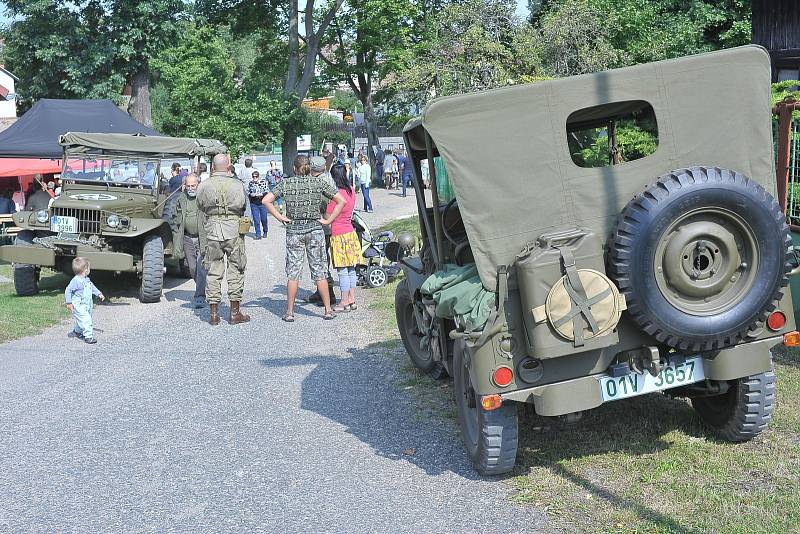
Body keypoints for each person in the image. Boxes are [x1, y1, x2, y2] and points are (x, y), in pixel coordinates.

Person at [262, 155, 346, 322]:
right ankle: (328, 310)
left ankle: (290, 312)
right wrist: (328, 220)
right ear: (309, 167)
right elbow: (341, 201)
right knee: (319, 271)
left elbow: (266, 200)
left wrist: (280, 217)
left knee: (294, 273)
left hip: (294, 231)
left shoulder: (286, 183)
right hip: (315, 229)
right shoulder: (318, 182)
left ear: (294, 168)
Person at [196, 153, 250, 326]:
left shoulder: (204, 185)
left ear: (213, 167)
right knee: (236, 268)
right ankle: (234, 313)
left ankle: (213, 314)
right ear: (229, 167)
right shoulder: (237, 185)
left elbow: (200, 205)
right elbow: (243, 205)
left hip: (212, 229)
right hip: (233, 229)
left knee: (213, 270)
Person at [326, 163, 361, 311]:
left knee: (342, 271)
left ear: (333, 176)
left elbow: (328, 216)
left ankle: (344, 301)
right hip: (350, 233)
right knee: (351, 268)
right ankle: (352, 299)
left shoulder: (336, 196)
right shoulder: (351, 191)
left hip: (338, 234)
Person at [170, 173, 208, 309]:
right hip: (186, 238)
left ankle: (200, 296)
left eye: (194, 185)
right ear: (184, 186)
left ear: (199, 185)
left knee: (201, 268)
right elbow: (175, 218)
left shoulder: (204, 198)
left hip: (201, 238)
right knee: (192, 268)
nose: (191, 188)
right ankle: (205, 287)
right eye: (188, 186)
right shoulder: (181, 199)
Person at [64, 257, 105, 344]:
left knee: (83, 318)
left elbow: (92, 287)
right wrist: (68, 302)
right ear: (86, 270)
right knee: (86, 320)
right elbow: (68, 290)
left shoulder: (87, 279)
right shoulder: (76, 281)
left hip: (87, 304)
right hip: (78, 304)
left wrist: (98, 293)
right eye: (89, 268)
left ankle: (77, 331)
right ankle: (88, 336)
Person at [247, 169, 270, 239]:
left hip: (262, 203)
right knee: (256, 219)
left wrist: (261, 194)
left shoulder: (264, 182)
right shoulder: (251, 183)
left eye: (256, 176)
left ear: (259, 176)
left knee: (264, 219)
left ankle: (265, 231)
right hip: (254, 203)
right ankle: (258, 234)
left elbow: (267, 191)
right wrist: (251, 195)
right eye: (253, 177)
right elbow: (248, 192)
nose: (254, 178)